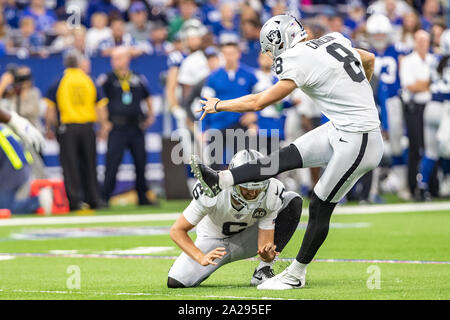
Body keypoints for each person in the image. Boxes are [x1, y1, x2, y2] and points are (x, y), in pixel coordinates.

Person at [191, 14, 383, 290]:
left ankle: (296, 274)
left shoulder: (296, 58)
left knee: (319, 203)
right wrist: (358, 97)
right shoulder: (331, 40)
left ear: (280, 41)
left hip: (359, 137)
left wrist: (219, 105)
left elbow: (258, 102)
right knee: (280, 159)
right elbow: (368, 59)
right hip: (342, 127)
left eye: (270, 50)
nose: (270, 57)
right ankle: (219, 180)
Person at [168, 149, 302, 288]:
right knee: (176, 280)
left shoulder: (273, 191)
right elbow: (177, 230)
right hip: (212, 242)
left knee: (292, 200)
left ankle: (263, 271)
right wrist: (200, 256)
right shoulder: (212, 190)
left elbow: (264, 245)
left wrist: (268, 256)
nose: (253, 193)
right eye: (247, 188)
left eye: (258, 188)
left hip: (247, 239)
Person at [44, 52, 106, 211]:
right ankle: (94, 199)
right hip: (87, 127)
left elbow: (50, 109)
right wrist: (103, 126)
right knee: (90, 165)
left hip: (68, 128)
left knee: (70, 166)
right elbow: (100, 106)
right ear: (79, 63)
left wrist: (49, 128)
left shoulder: (59, 81)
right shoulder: (89, 80)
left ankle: (74, 200)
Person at [98, 46, 155, 206]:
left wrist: (150, 115)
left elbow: (148, 97)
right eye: (113, 58)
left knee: (141, 162)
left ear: (127, 59)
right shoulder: (107, 79)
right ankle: (104, 197)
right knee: (112, 163)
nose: (114, 62)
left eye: (118, 58)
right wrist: (104, 123)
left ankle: (143, 197)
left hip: (136, 126)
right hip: (117, 127)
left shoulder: (137, 78)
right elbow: (100, 103)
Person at [366, 14, 410, 200]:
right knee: (373, 147)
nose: (379, 38)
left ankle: (402, 186)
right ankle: (372, 189)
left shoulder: (399, 50)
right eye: (375, 35)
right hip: (370, 103)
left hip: (392, 101)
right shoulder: (365, 52)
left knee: (397, 145)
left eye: (382, 34)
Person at [417, 29, 450, 200]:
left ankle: (421, 186)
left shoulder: (435, 59)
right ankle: (446, 184)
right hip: (446, 108)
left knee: (431, 152)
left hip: (431, 106)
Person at [400, 30, 434, 198]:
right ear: (414, 42)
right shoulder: (408, 61)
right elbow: (410, 86)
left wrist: (423, 84)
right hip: (414, 108)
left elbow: (431, 85)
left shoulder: (433, 60)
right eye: (419, 40)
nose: (422, 44)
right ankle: (413, 187)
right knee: (415, 148)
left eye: (425, 41)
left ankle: (431, 186)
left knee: (431, 147)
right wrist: (427, 84)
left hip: (431, 105)